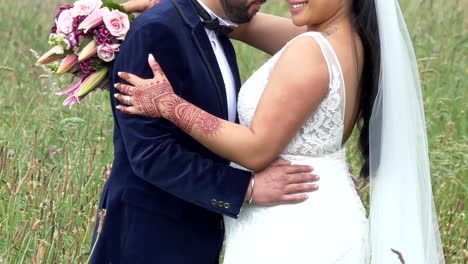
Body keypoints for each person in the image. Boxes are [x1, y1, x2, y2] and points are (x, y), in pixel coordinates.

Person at [115, 0, 445, 263]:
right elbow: (241, 25)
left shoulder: (310, 51)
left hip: (291, 226)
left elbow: (257, 149)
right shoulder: (352, 41)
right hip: (325, 212)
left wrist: (171, 105)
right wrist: (177, 8)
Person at [89, 0, 324, 263]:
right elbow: (150, 152)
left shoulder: (215, 29)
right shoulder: (155, 29)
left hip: (197, 233)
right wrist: (246, 188)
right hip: (149, 237)